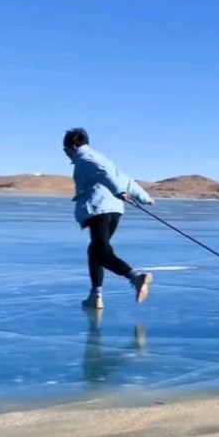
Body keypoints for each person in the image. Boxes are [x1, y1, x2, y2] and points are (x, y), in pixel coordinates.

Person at [63, 127, 155, 310]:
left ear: (72, 146)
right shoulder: (102, 158)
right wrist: (143, 197)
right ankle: (95, 295)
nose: (66, 154)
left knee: (100, 250)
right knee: (96, 250)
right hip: (113, 210)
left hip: (98, 208)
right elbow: (126, 179)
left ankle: (135, 276)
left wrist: (119, 191)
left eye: (65, 150)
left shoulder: (85, 158)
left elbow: (105, 175)